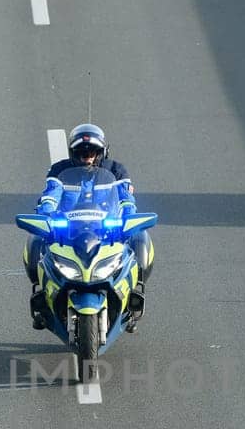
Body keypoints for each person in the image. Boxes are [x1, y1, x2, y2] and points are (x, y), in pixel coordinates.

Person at [26, 123, 153, 330]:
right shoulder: (60, 170)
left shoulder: (116, 170)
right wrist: (46, 213)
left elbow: (126, 199)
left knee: (140, 236)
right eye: (82, 151)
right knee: (36, 238)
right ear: (73, 152)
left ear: (101, 152)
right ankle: (41, 300)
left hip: (106, 232)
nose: (88, 155)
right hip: (67, 232)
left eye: (92, 151)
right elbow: (50, 195)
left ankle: (134, 297)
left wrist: (128, 218)